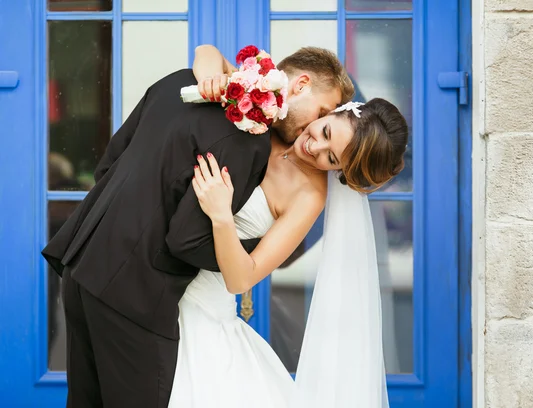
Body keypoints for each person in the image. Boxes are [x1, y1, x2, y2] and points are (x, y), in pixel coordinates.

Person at [41, 45, 353, 408]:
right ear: (299, 84)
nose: (313, 129)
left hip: (82, 262)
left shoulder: (178, 83)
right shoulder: (247, 137)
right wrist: (247, 252)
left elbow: (109, 163)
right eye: (324, 113)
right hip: (134, 293)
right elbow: (186, 239)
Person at [167, 47, 409, 407]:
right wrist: (209, 80)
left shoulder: (309, 197)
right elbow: (208, 52)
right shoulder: (271, 120)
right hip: (161, 281)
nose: (315, 147)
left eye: (331, 158)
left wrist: (221, 217)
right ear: (333, 112)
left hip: (203, 310)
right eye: (325, 130)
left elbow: (242, 278)